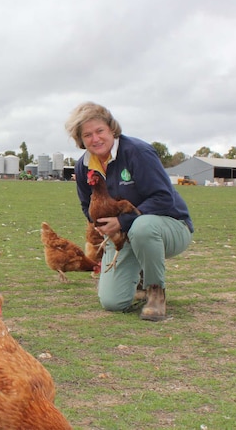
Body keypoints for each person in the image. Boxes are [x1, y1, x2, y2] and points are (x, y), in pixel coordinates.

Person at [65, 102, 193, 321]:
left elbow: (164, 198)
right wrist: (100, 223)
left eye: (100, 131)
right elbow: (86, 205)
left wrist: (122, 222)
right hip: (123, 237)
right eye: (87, 135)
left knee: (142, 228)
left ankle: (156, 294)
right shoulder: (84, 165)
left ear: (112, 129)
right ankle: (139, 280)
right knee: (112, 302)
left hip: (169, 227)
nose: (95, 139)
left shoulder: (137, 152)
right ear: (81, 140)